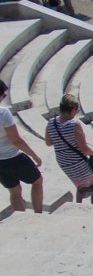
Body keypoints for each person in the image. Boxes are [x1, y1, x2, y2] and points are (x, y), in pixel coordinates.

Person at [45, 94, 93, 205]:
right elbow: (84, 149)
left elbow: (48, 142)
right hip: (76, 161)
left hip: (63, 161)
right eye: (77, 110)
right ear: (72, 109)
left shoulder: (51, 123)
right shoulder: (74, 124)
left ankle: (78, 205)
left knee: (80, 184)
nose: (76, 112)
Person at [0, 80, 43, 213]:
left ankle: (20, 217)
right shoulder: (3, 114)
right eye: (3, 95)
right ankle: (38, 214)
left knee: (14, 191)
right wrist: (34, 156)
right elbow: (16, 140)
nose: (3, 98)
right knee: (37, 181)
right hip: (14, 158)